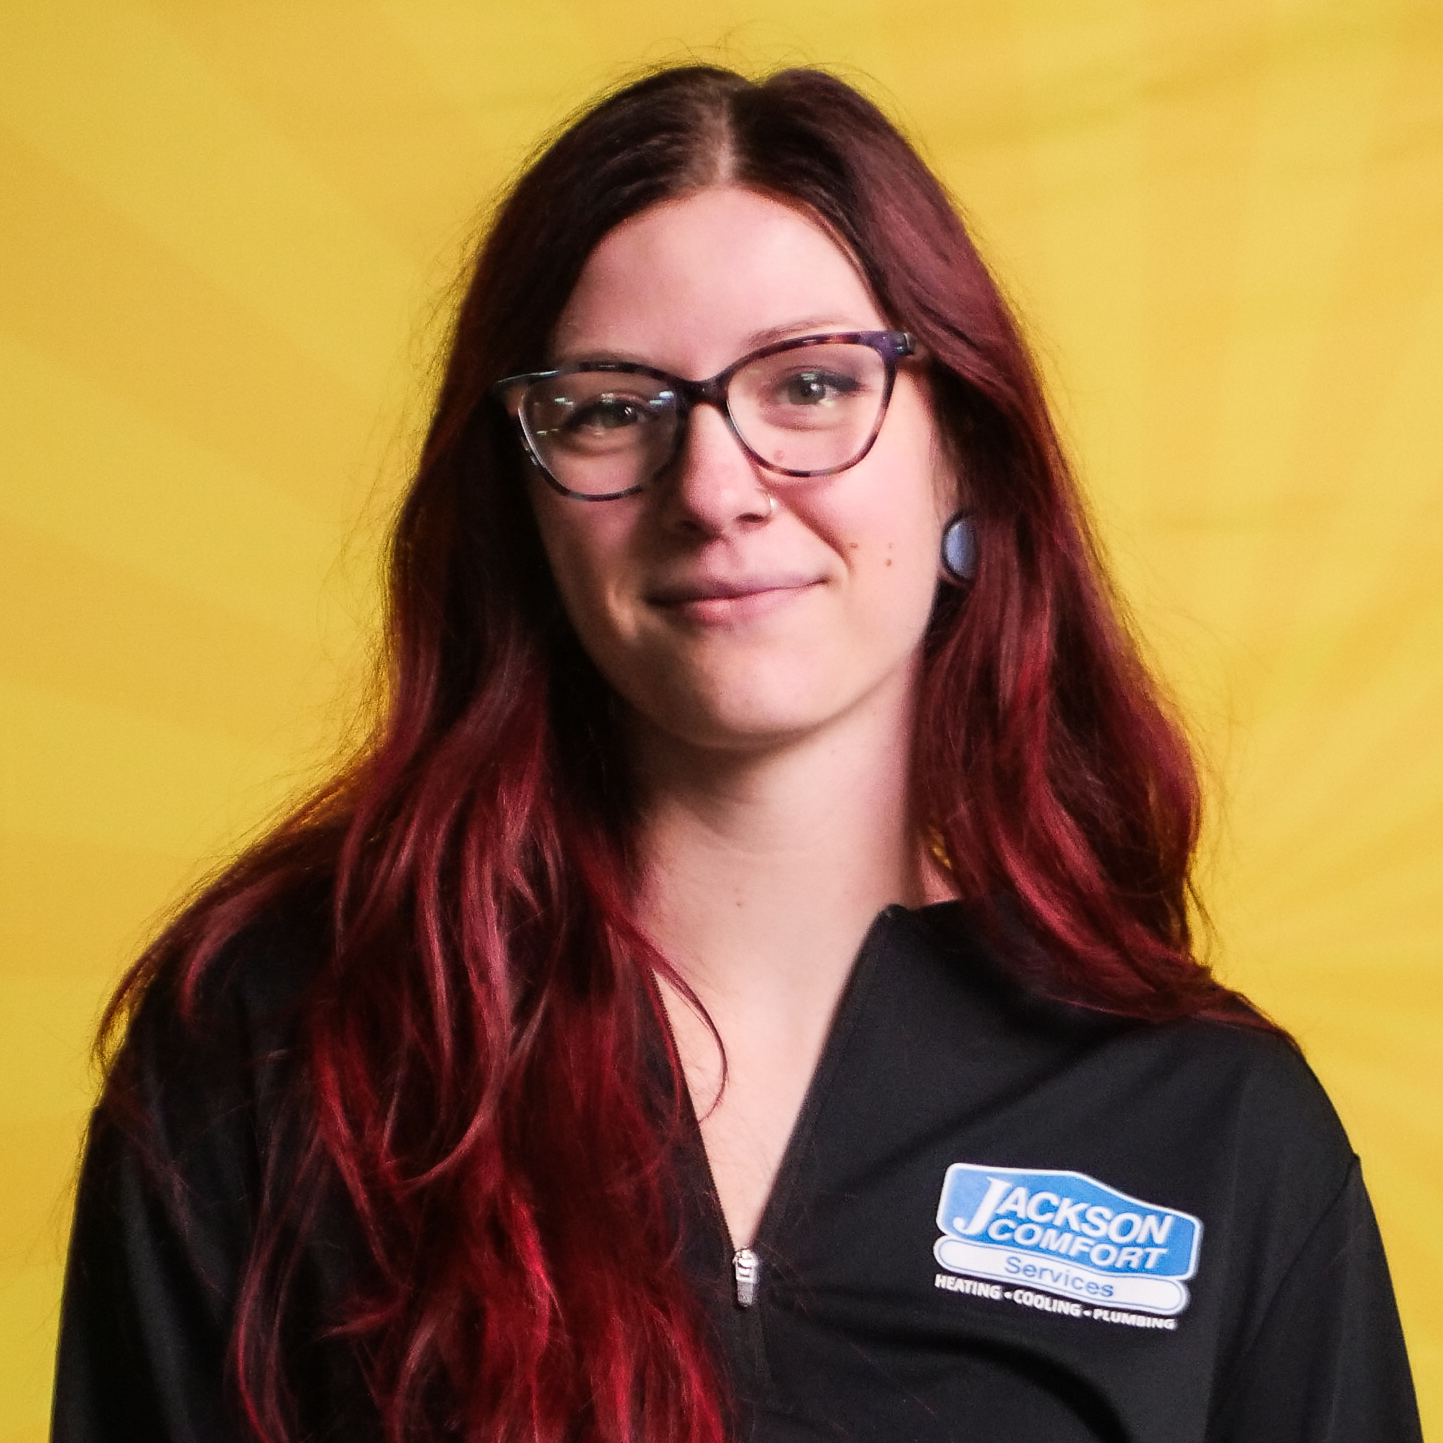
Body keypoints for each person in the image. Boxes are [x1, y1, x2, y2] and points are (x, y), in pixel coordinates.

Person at [52, 65, 1421, 1443]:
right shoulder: (280, 1050)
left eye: (813, 385)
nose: (714, 487)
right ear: (519, 500)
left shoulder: (1212, 1125)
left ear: (966, 457)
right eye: (607, 407)